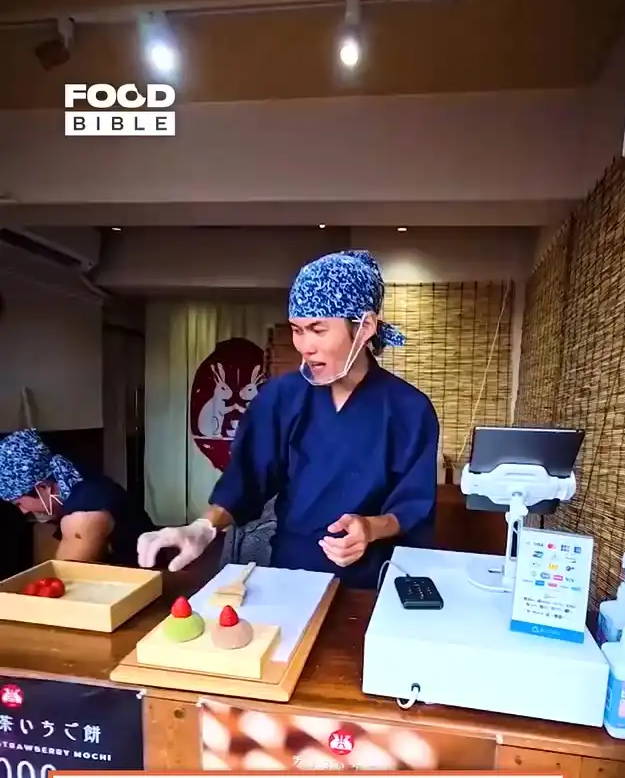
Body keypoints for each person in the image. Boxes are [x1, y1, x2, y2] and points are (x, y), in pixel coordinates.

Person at [138, 250, 440, 589]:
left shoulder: (410, 410)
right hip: (291, 574)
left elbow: (413, 507)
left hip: (371, 579)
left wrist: (370, 528)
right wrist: (203, 528)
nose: (305, 347)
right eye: (297, 330)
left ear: (365, 328)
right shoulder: (282, 397)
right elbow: (247, 477)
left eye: (318, 329)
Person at [0, 428, 154, 567]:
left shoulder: (84, 515)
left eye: (19, 503)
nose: (23, 511)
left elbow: (65, 579)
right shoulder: (80, 483)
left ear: (42, 488)